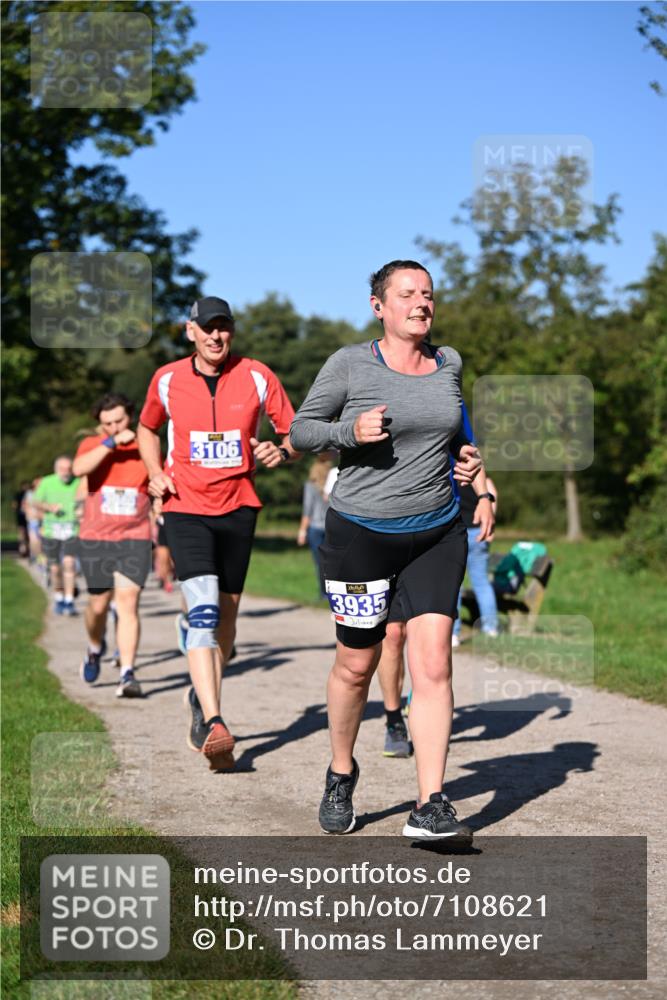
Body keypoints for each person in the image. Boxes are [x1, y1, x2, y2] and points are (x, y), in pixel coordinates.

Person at [290, 259, 489, 841]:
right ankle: (341, 771)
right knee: (357, 665)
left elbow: (456, 434)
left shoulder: (448, 362)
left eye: (427, 293)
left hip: (436, 532)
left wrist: (473, 468)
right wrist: (348, 434)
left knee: (433, 663)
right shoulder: (349, 363)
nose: (421, 302)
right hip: (361, 536)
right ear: (380, 306)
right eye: (407, 294)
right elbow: (302, 431)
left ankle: (431, 804)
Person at [137, 295, 298, 772]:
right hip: (185, 507)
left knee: (224, 628)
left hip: (238, 508)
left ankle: (197, 687)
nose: (215, 336)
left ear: (231, 331)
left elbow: (294, 431)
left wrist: (282, 452)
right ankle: (214, 722)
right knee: (204, 612)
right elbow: (148, 428)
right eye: (206, 327)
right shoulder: (166, 379)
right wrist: (153, 471)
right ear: (190, 331)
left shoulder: (256, 375)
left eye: (223, 327)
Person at [72, 393, 152, 698]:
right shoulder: (94, 444)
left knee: (128, 603)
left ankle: (127, 673)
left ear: (129, 416)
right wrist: (111, 443)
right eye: (107, 423)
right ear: (99, 424)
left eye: (119, 421)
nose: (115, 426)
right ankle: (95, 647)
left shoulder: (145, 443)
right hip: (96, 538)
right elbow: (79, 469)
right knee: (98, 605)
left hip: (135, 536)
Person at [33, 457, 81, 615]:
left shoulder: (78, 482)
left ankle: (69, 600)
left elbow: (87, 500)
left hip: (72, 530)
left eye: (68, 469)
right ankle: (59, 597)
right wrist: (48, 507)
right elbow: (36, 502)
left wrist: (82, 511)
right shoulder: (47, 482)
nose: (66, 472)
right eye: (62, 469)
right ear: (56, 469)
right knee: (55, 568)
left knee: (69, 563)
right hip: (51, 531)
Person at [297, 452, 336, 598]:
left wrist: (302, 531)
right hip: (332, 526)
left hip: (315, 528)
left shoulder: (310, 486)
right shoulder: (334, 483)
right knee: (332, 562)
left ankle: (323, 593)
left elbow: (307, 510)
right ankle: (334, 592)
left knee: (320, 562)